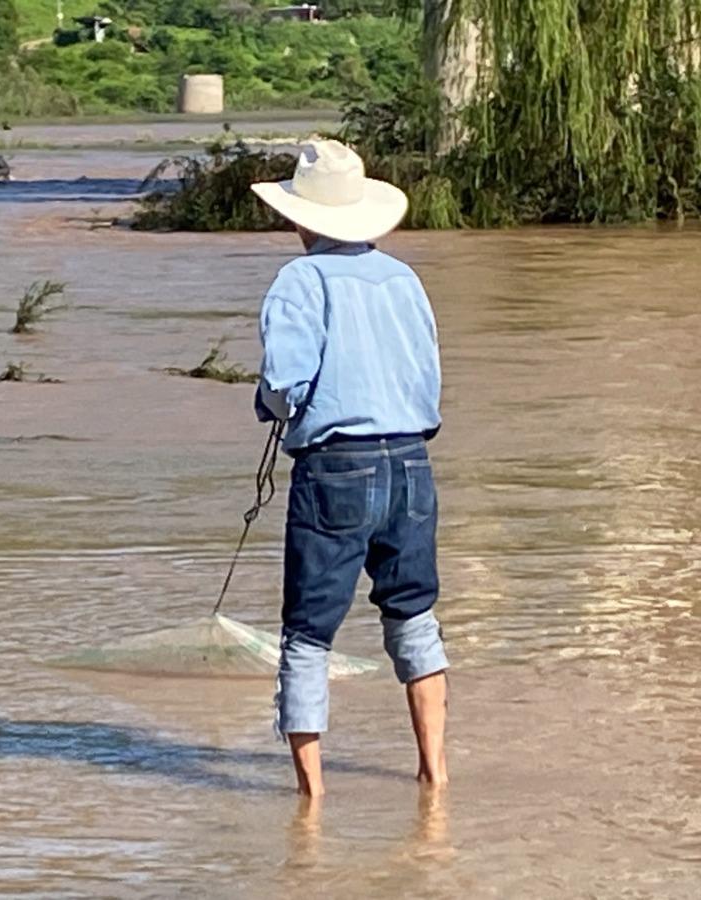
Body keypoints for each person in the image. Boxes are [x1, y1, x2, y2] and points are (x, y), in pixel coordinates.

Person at [250, 139, 450, 798]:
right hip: (412, 462)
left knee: (308, 634)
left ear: (301, 219)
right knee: (414, 616)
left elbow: (284, 382)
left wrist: (268, 405)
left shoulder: (299, 281)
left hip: (336, 467)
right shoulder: (404, 278)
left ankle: (312, 801)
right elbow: (428, 377)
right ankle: (435, 775)